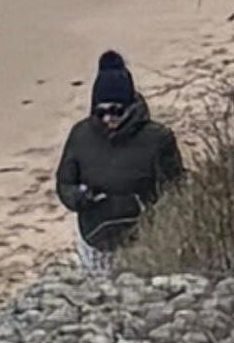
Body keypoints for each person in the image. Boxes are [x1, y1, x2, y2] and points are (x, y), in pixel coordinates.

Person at [57, 48, 183, 268]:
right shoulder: (80, 135)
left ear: (130, 107)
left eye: (116, 110)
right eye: (101, 111)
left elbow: (175, 187)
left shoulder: (158, 138)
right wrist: (81, 197)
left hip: (144, 239)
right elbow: (65, 183)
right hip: (95, 242)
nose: (108, 118)